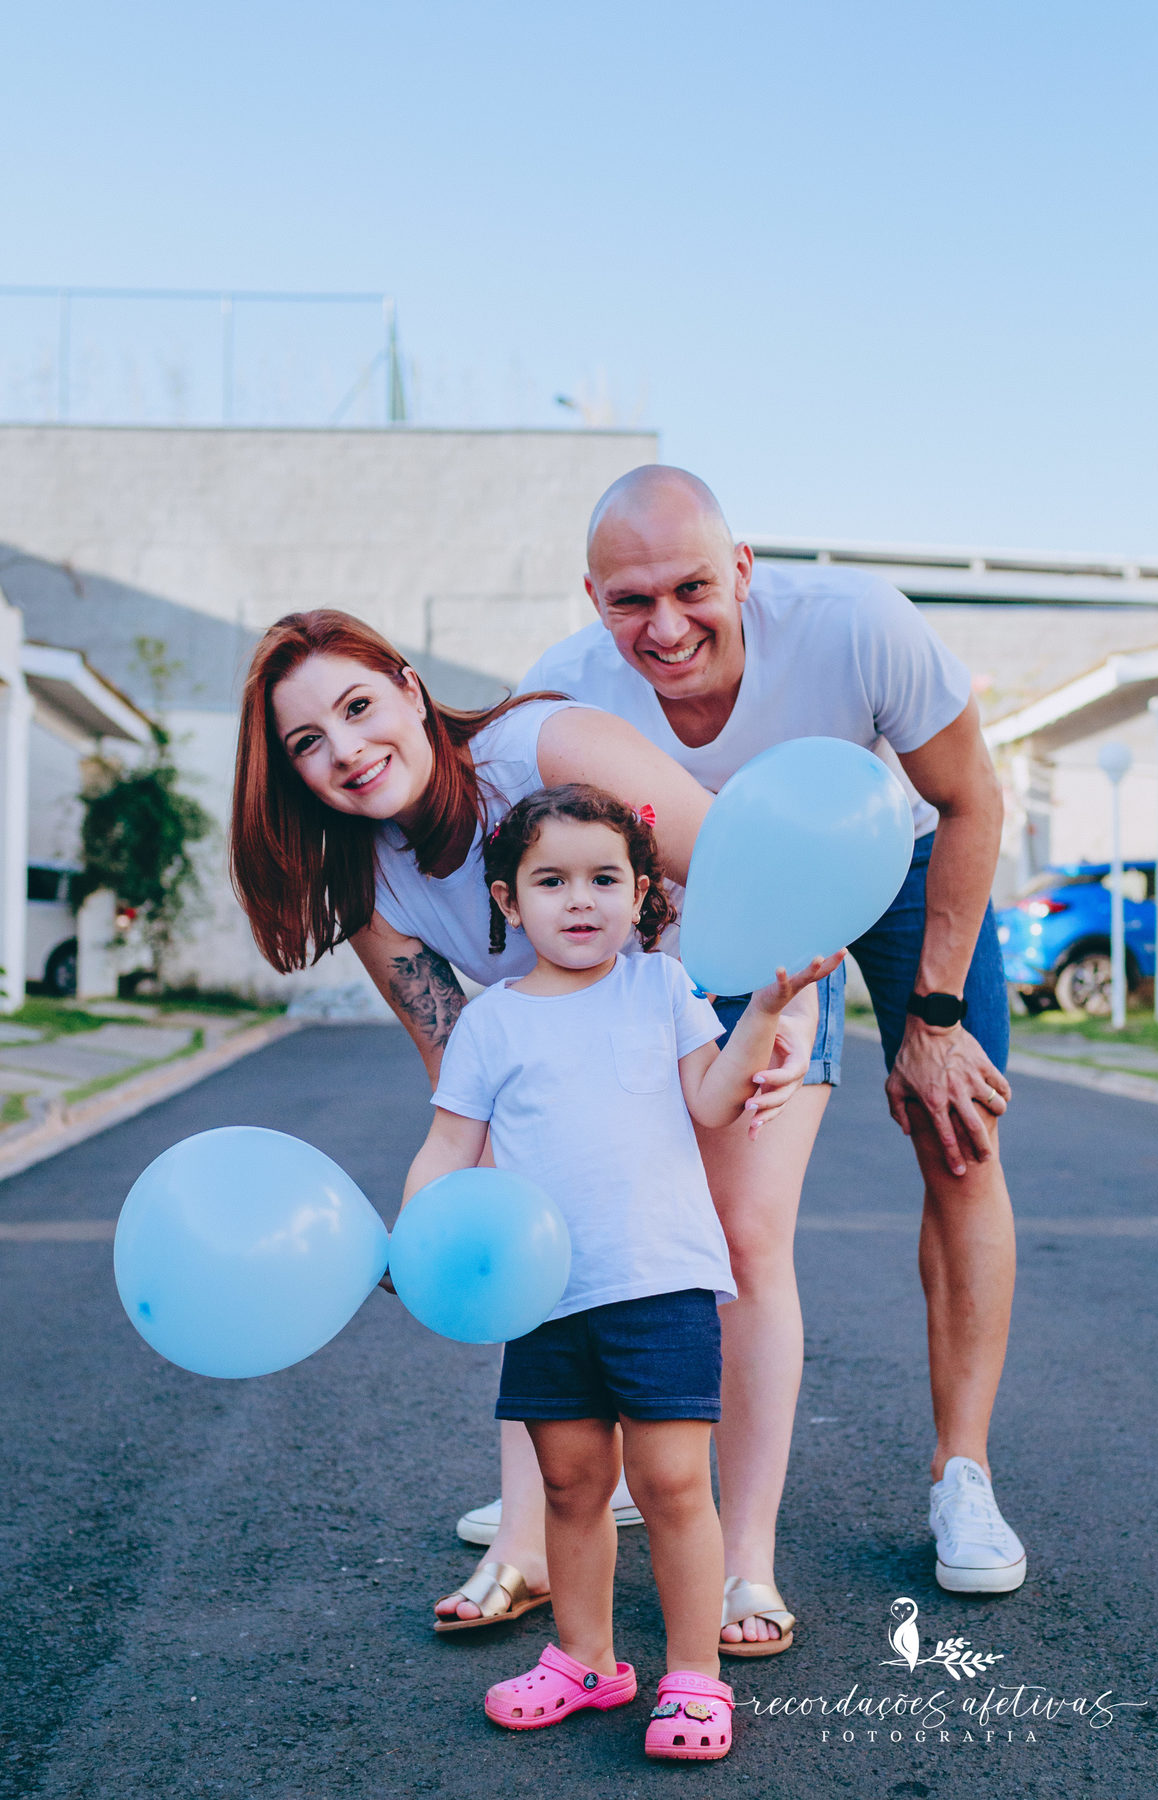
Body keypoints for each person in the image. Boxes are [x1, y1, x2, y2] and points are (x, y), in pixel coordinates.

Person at [229, 607, 820, 1637]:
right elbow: (452, 1060)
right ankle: (530, 1539)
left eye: (358, 707)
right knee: (546, 1256)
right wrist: (450, 1226)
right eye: (307, 743)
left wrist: (793, 1017)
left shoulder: (541, 746)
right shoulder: (371, 874)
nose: (346, 752)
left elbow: (743, 867)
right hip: (562, 1028)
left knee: (738, 1243)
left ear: (411, 690)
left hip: (741, 981)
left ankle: (748, 1566)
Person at [507, 465, 1025, 1627]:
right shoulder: (561, 693)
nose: (668, 625)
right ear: (593, 600)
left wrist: (932, 1022)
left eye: (692, 587)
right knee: (671, 1173)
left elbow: (972, 800)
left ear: (742, 570)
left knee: (959, 1138)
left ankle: (963, 1476)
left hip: (887, 860)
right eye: (632, 601)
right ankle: (625, 1452)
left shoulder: (858, 631)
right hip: (697, 899)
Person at [401, 782, 841, 1761]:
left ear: (641, 892)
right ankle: (587, 1660)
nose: (581, 899)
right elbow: (447, 1146)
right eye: (551, 880)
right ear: (511, 902)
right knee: (569, 1484)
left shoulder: (661, 989)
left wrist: (766, 1010)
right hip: (546, 1293)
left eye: (605, 878)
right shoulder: (493, 1024)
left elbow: (717, 1101)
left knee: (676, 1483)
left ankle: (694, 1677)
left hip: (661, 1283)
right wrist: (413, 1232)